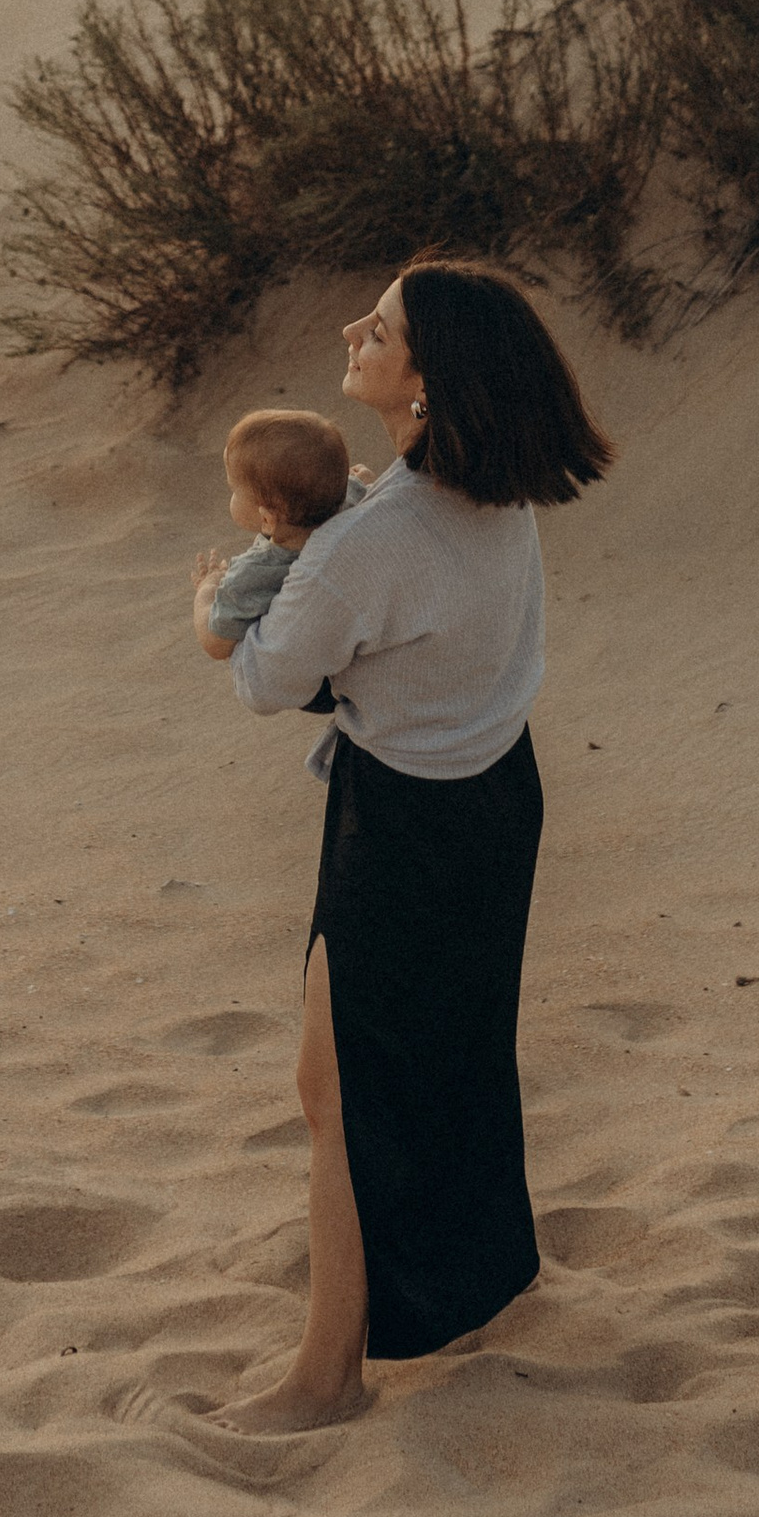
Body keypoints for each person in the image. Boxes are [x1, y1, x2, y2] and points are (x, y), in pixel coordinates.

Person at [188, 256, 611, 1431]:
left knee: (344, 1089)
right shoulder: (493, 491)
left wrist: (223, 610)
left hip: (407, 821)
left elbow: (269, 679)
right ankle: (470, 1288)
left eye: (374, 329)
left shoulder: (372, 539)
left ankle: (324, 1382)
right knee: (444, 1061)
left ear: (425, 383)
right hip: (496, 801)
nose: (348, 331)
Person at [200, 408, 353, 646]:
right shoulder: (351, 506)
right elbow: (358, 487)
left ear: (267, 521)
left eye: (233, 490)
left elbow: (216, 642)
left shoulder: (253, 574)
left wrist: (207, 588)